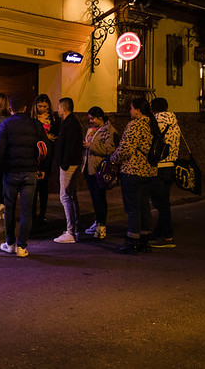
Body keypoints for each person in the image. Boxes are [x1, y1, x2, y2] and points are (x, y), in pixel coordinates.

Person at [0, 95, 46, 257]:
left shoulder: (6, 124)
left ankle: (10, 243)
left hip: (11, 172)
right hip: (30, 171)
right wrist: (42, 167)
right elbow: (44, 148)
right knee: (27, 211)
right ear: (26, 108)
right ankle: (22, 246)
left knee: (10, 208)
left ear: (10, 108)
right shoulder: (36, 124)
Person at [109, 97, 159, 254]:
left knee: (133, 208)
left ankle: (132, 241)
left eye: (131, 108)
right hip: (149, 171)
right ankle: (145, 239)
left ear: (137, 110)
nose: (130, 111)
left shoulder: (135, 125)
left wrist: (112, 158)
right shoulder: (151, 124)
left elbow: (126, 149)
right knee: (144, 206)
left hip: (133, 170)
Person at [82, 106, 118, 240]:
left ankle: (101, 225)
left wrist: (91, 145)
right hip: (89, 168)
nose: (90, 121)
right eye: (89, 119)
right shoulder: (92, 130)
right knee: (95, 198)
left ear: (100, 118)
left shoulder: (109, 130)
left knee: (99, 198)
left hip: (100, 169)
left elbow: (110, 149)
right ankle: (98, 222)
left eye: (92, 118)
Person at [149, 97, 181, 248]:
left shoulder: (156, 123)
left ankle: (167, 237)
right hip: (171, 166)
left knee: (161, 205)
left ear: (153, 109)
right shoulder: (174, 123)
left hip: (159, 166)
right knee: (164, 202)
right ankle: (159, 232)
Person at [53, 97, 84, 244]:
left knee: (65, 196)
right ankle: (74, 229)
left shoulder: (70, 124)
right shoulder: (70, 122)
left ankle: (71, 231)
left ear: (64, 108)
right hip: (70, 163)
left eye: (59, 107)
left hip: (69, 164)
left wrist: (64, 164)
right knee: (70, 195)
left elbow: (70, 145)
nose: (57, 110)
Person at [32, 94, 59, 225]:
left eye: (44, 106)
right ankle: (32, 213)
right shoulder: (32, 118)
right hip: (34, 153)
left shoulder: (53, 119)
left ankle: (42, 213)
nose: (42, 109)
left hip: (47, 154)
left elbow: (56, 135)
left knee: (43, 185)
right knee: (33, 186)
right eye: (40, 106)